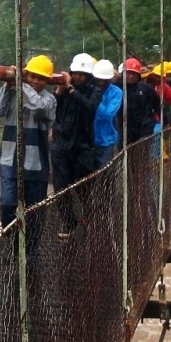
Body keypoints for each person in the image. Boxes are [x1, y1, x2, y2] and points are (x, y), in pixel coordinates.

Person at [0, 54, 57, 264]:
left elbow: (37, 107)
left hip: (36, 165)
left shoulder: (49, 99)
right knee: (8, 206)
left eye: (41, 78)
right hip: (10, 161)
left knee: (35, 210)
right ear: (27, 75)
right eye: (32, 76)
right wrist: (8, 87)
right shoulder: (13, 94)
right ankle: (14, 245)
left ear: (47, 81)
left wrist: (21, 82)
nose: (36, 81)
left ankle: (32, 250)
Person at [50, 52, 102, 235]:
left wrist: (72, 89)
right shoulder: (63, 91)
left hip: (83, 146)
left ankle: (90, 219)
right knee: (60, 188)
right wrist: (60, 90)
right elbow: (51, 109)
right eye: (75, 73)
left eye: (82, 74)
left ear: (88, 76)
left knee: (83, 187)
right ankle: (68, 223)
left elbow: (89, 108)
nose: (78, 76)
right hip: (61, 144)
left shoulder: (94, 91)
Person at [120, 57, 160, 144]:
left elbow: (157, 105)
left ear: (138, 75)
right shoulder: (118, 89)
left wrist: (162, 121)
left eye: (134, 74)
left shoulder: (146, 89)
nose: (131, 76)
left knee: (143, 155)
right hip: (126, 132)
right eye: (128, 73)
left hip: (145, 130)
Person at [92, 59, 122, 167]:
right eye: (98, 79)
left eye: (105, 80)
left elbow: (108, 115)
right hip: (87, 140)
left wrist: (95, 99)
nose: (101, 83)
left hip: (106, 141)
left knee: (104, 176)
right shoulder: (88, 88)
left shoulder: (116, 92)